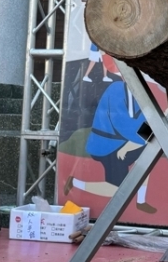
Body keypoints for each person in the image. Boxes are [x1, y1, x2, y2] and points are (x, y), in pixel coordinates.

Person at [63, 79, 156, 214]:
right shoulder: (117, 90)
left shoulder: (138, 93)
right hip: (106, 145)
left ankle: (140, 201)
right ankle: (75, 183)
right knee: (117, 188)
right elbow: (122, 123)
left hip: (123, 142)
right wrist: (133, 142)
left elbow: (142, 119)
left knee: (147, 158)